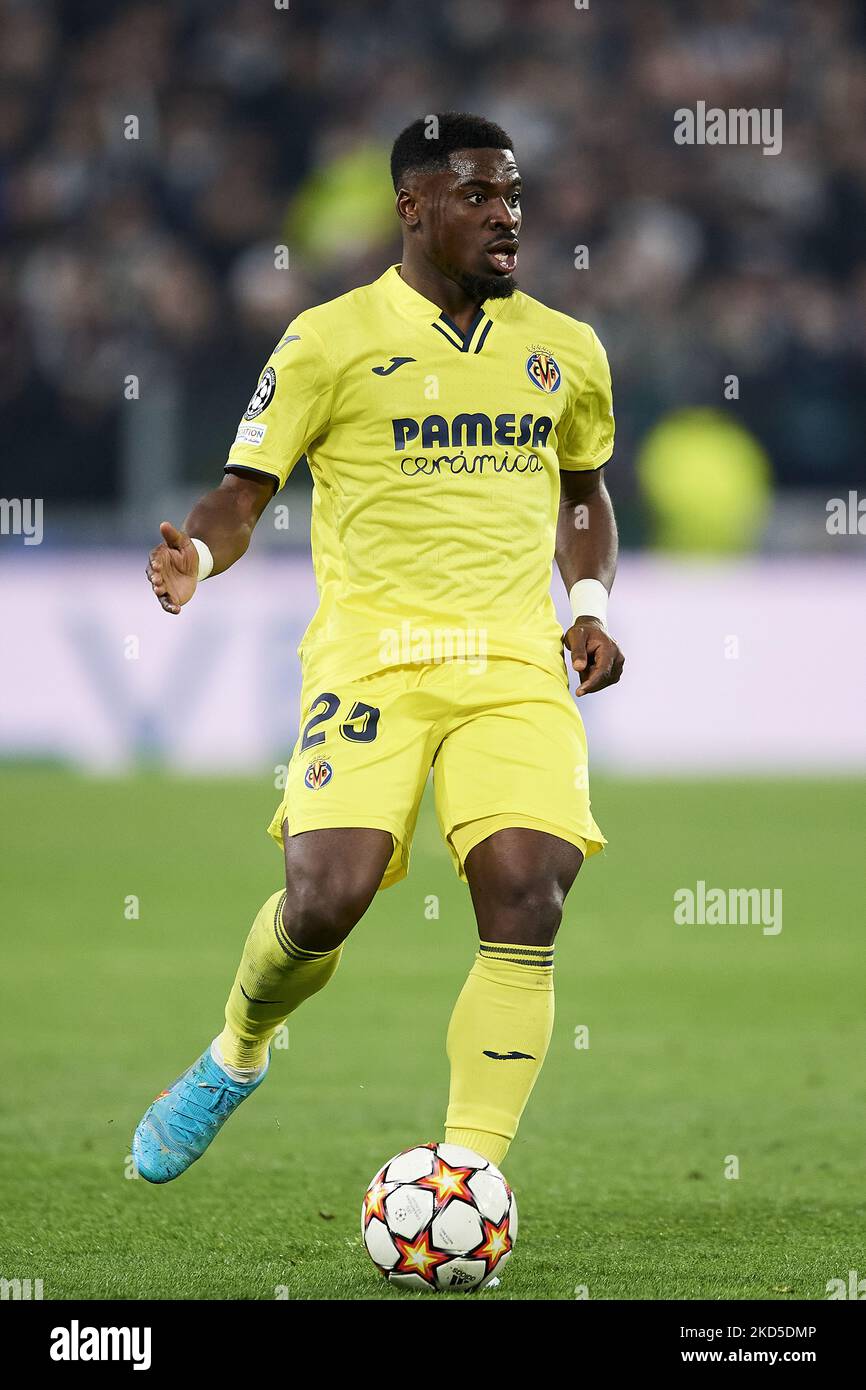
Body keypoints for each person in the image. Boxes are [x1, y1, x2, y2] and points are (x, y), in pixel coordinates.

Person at [133, 112, 624, 1186]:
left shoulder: (564, 349)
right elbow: (239, 492)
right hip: (372, 658)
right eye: (478, 196)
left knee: (527, 890)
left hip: (510, 662)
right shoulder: (327, 340)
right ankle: (236, 1052)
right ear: (410, 207)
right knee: (323, 899)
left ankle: (464, 1178)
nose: (506, 217)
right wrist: (198, 561)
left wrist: (585, 599)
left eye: (514, 198)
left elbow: (582, 495)